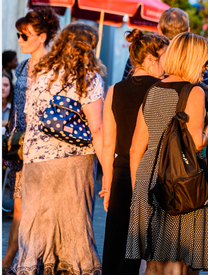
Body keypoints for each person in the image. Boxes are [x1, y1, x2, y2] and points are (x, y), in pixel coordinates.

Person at [127, 32, 208, 275]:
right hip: (179, 181)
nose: (207, 66)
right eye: (205, 60)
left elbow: (136, 146)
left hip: (147, 180)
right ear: (192, 59)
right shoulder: (195, 92)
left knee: (153, 263)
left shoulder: (153, 89)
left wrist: (137, 189)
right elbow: (196, 143)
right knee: (176, 261)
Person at [14, 22, 104, 274]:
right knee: (73, 224)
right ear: (89, 47)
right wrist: (107, 172)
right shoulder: (88, 77)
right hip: (74, 160)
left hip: (36, 159)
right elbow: (97, 128)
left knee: (37, 223)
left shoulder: (40, 72)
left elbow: (30, 118)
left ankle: (32, 267)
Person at [100, 29, 169, 275]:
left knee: (115, 245)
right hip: (151, 174)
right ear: (151, 59)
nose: (167, 64)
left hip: (120, 174)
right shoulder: (162, 90)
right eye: (165, 57)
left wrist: (107, 185)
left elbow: (108, 144)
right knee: (138, 248)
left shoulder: (114, 90)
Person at [2, 7, 60, 274]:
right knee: (18, 207)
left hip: (43, 150)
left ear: (42, 35)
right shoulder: (24, 65)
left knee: (37, 210)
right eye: (18, 35)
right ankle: (10, 259)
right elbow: (16, 108)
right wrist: (9, 143)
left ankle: (29, 260)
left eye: (24, 35)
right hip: (20, 147)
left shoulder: (55, 66)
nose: (20, 40)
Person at [121, 8, 208, 94]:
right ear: (188, 31)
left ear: (159, 29)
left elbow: (124, 87)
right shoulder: (192, 58)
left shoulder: (142, 52)